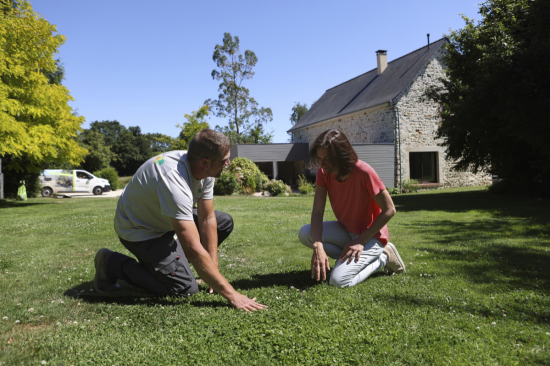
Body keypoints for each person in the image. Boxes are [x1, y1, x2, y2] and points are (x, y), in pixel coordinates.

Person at [93, 129, 266, 311]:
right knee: (184, 288)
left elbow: (207, 218)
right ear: (205, 163)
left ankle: (169, 265)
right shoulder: (173, 179)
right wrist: (232, 294)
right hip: (140, 230)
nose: (228, 164)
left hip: (166, 218)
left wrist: (213, 268)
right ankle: (110, 263)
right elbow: (192, 249)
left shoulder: (205, 170)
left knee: (224, 222)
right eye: (224, 160)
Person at [298, 129, 405, 288]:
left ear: (341, 155)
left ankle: (383, 258)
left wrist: (361, 240)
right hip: (347, 231)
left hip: (371, 237)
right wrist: (318, 245)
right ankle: (350, 260)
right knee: (306, 234)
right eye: (319, 158)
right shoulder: (323, 173)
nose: (322, 164)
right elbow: (317, 212)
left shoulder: (363, 172)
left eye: (327, 159)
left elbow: (390, 209)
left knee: (338, 281)